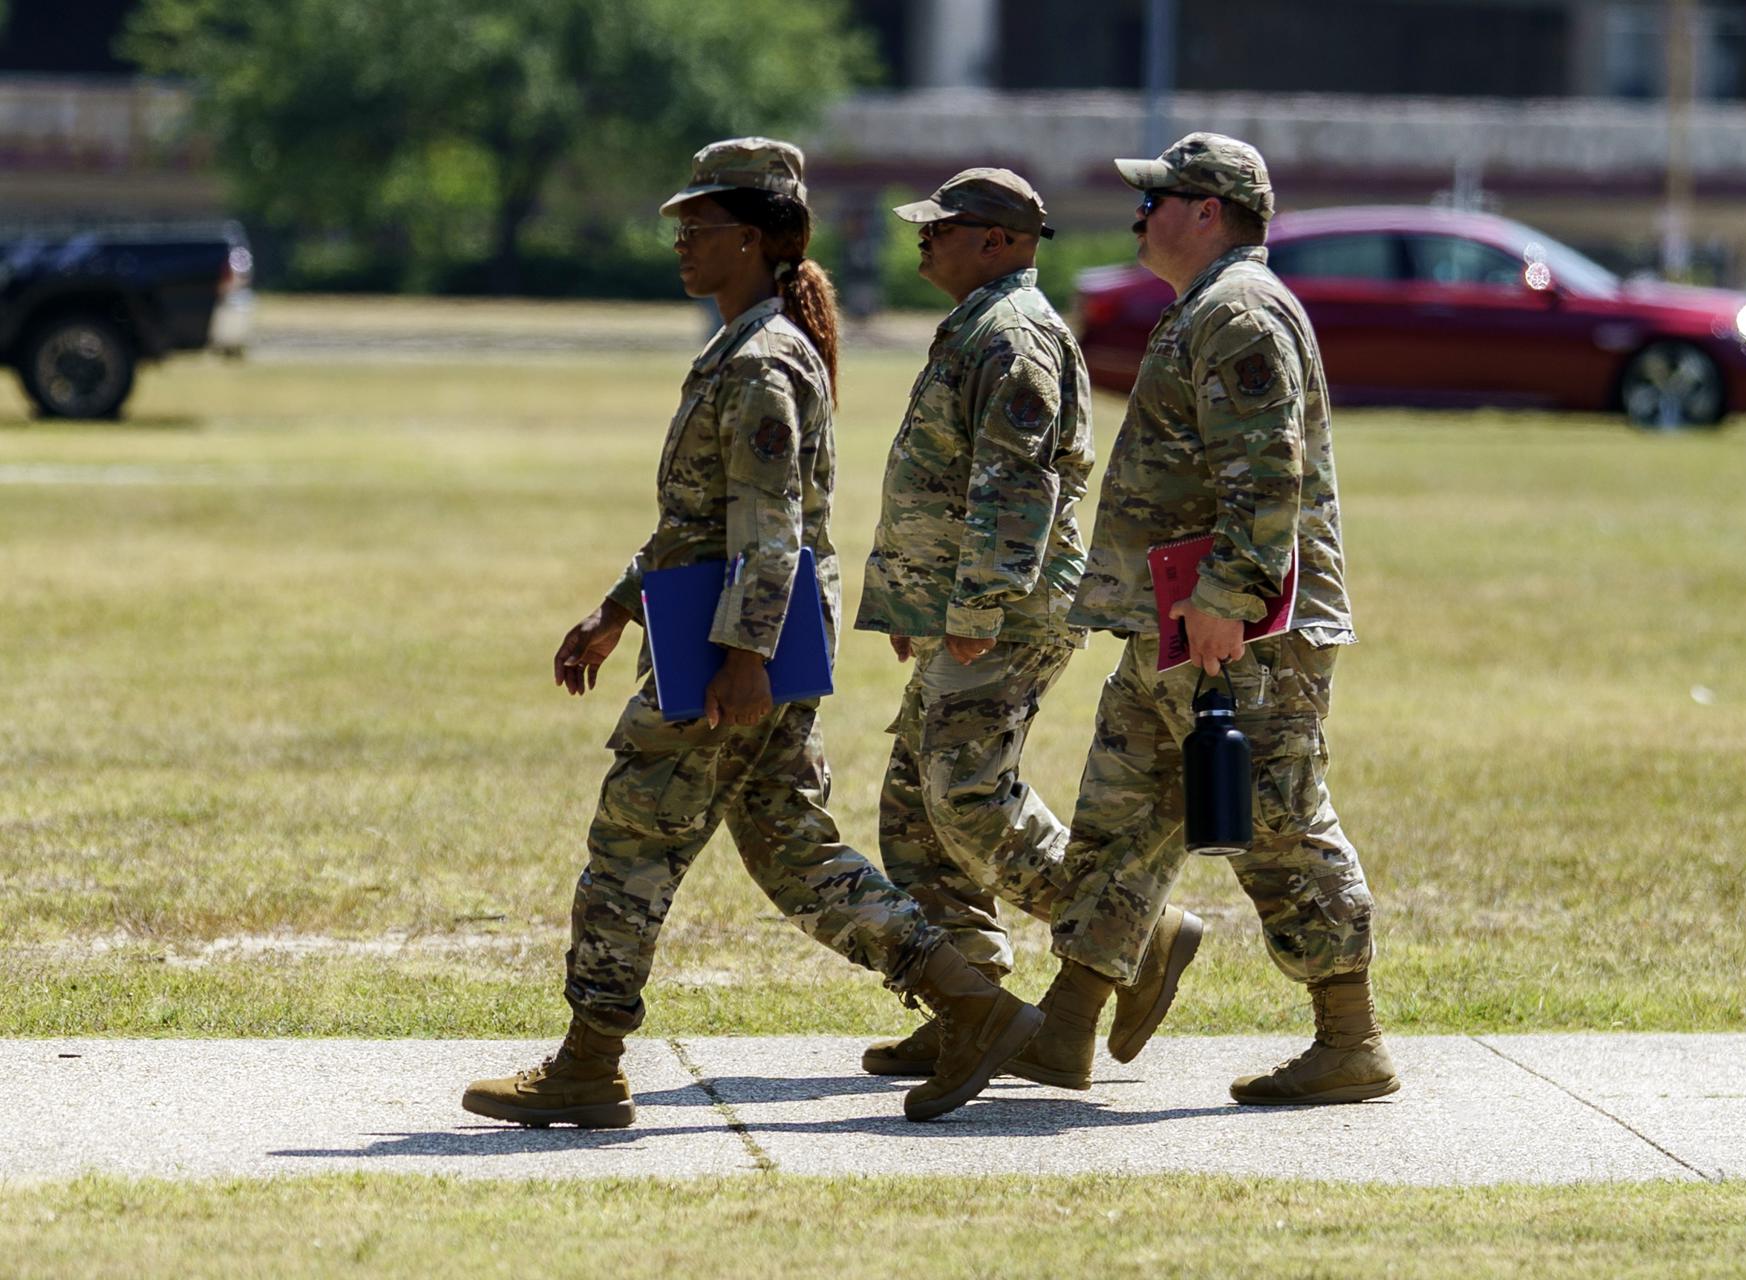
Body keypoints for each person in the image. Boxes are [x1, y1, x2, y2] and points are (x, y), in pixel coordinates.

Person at [461, 138, 1042, 1128]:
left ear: (758, 239)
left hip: (733, 640)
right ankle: (973, 1003)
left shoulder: (764, 360)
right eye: (681, 226)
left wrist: (741, 657)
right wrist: (616, 608)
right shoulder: (746, 347)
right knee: (792, 848)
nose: (683, 241)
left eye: (702, 225)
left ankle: (590, 1061)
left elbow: (770, 530)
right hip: (741, 627)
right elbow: (700, 516)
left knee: (631, 842)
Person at [1022, 133, 1399, 1105]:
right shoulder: (1209, 305)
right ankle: (1066, 1026)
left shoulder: (1239, 311)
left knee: (1277, 820)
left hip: (1242, 631)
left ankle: (1350, 1037)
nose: (1139, 214)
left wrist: (1230, 598)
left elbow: (1268, 472)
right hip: (1176, 620)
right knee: (1118, 813)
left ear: (1208, 211)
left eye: (1157, 198)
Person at [850, 169, 1202, 1088]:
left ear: (999, 241)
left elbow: (1018, 487)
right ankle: (971, 1006)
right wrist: (913, 603)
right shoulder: (980, 323)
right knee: (915, 814)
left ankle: (1133, 932)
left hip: (1006, 615)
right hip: (961, 610)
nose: (924, 238)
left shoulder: (1014, 335)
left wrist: (975, 609)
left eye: (943, 226)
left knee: (966, 801)